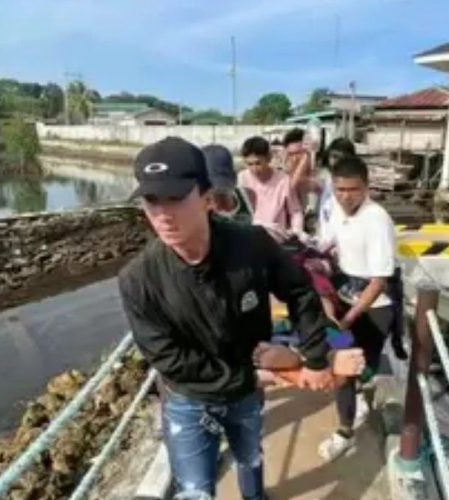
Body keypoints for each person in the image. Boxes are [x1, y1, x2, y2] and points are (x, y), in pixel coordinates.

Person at [118, 137, 335, 500]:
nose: (163, 214)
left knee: (250, 459)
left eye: (175, 198)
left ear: (207, 198)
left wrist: (314, 357)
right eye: (152, 201)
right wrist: (249, 376)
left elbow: (299, 291)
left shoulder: (252, 245)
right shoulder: (139, 280)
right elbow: (168, 358)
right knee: (195, 491)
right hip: (189, 398)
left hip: (246, 393)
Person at [317, 155, 397, 461]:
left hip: (374, 308)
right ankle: (346, 431)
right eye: (340, 189)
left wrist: (348, 319)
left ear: (366, 187)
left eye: (353, 190)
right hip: (344, 298)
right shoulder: (335, 209)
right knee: (343, 366)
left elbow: (379, 282)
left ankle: (360, 393)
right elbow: (325, 245)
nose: (346, 196)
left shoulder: (377, 220)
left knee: (365, 366)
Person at [238, 136, 303, 240]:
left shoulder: (283, 180)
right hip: (250, 236)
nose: (254, 169)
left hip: (275, 237)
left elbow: (295, 211)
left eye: (258, 163)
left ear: (268, 158)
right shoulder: (243, 178)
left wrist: (296, 232)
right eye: (250, 164)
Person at [201, 144, 255, 225]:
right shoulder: (197, 208)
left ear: (234, 177)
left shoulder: (248, 196)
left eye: (223, 191)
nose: (219, 193)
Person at [317, 137, 356, 240]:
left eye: (343, 158)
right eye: (334, 156)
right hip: (325, 237)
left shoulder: (354, 183)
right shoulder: (325, 178)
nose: (337, 161)